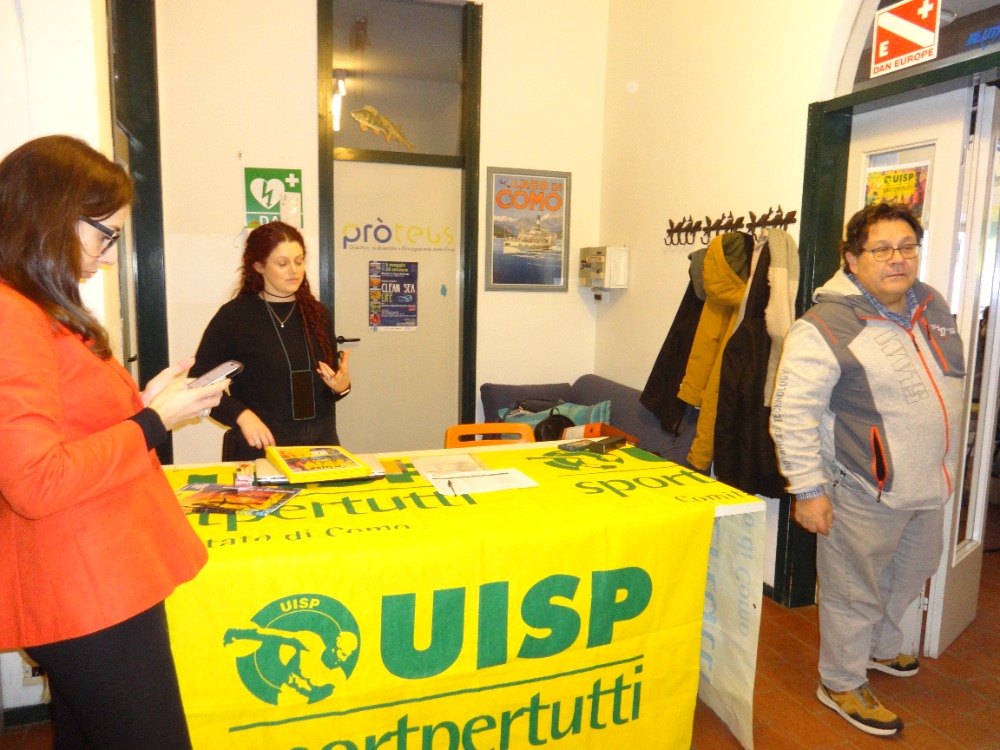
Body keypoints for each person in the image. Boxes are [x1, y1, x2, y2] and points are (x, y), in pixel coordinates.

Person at [0, 135, 230, 748]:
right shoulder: (13, 315)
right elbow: (36, 480)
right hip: (86, 587)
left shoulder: (36, 306)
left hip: (97, 578)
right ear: (51, 215)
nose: (106, 258)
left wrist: (143, 403)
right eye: (105, 236)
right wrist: (153, 423)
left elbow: (70, 423)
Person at [769, 202, 966, 737]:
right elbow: (792, 415)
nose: (897, 259)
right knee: (853, 591)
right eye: (881, 249)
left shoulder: (932, 304)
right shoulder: (823, 326)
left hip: (928, 480)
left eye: (907, 247)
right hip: (862, 485)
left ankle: (878, 648)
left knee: (914, 568)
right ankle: (840, 681)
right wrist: (808, 490)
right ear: (852, 259)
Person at [191, 221, 352, 461]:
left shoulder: (317, 313)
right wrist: (241, 416)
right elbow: (199, 384)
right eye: (282, 263)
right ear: (259, 266)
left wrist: (341, 386)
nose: (294, 271)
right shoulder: (235, 316)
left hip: (319, 445)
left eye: (299, 261)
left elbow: (329, 385)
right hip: (261, 445)